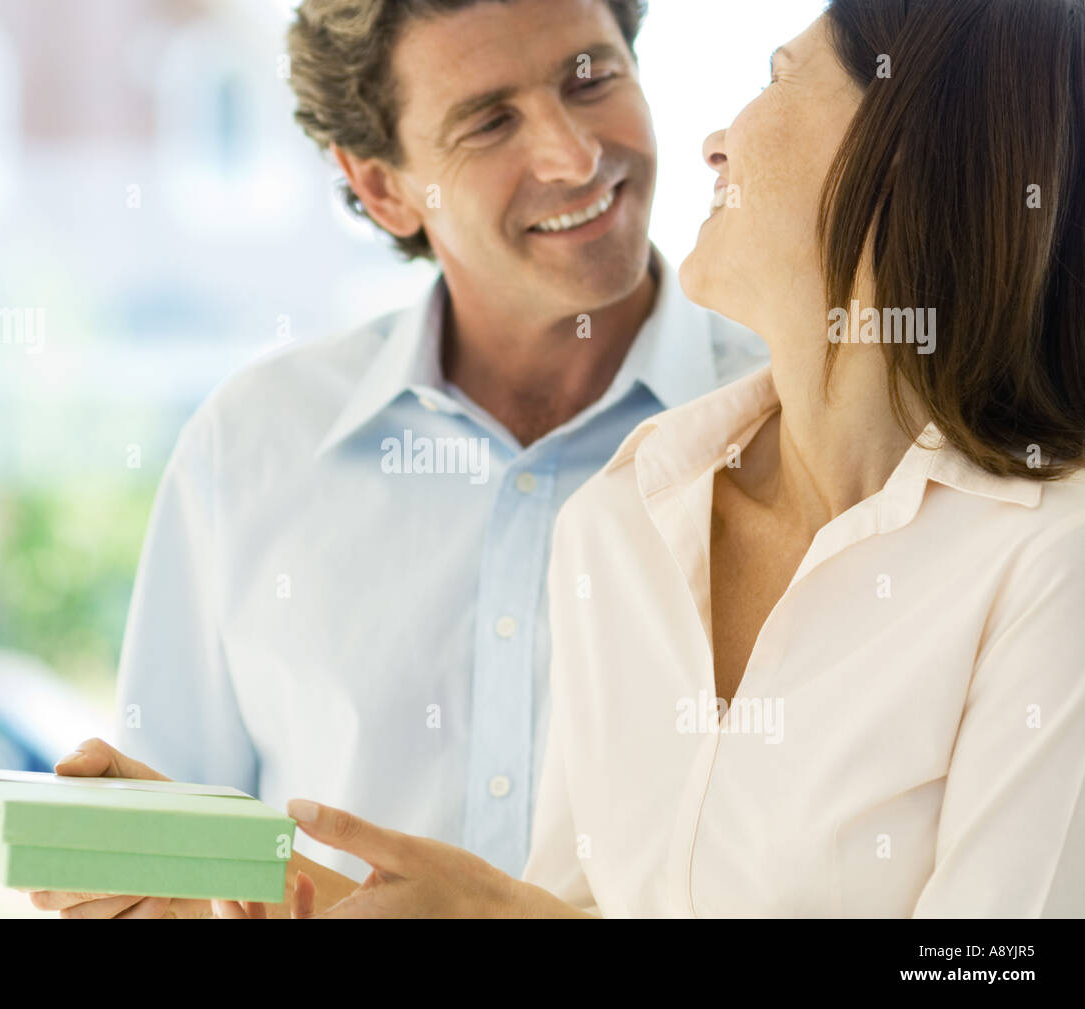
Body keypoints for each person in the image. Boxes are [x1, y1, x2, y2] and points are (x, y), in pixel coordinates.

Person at [264, 0, 1085, 918]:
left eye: (777, 77)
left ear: (907, 156)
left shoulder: (1052, 556)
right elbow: (568, 907)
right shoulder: (623, 519)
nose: (714, 140)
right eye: (489, 119)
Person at [29, 0, 765, 918]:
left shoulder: (800, 424)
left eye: (590, 77)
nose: (574, 156)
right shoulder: (252, 446)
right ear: (381, 186)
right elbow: (176, 866)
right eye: (489, 121)